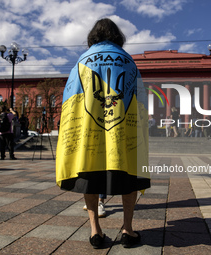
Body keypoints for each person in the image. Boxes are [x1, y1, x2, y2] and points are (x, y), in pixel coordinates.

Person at [56, 18, 150, 249]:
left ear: (93, 36)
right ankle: (128, 230)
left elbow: (71, 100)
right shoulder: (129, 61)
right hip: (123, 133)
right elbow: (140, 100)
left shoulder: (81, 61)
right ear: (118, 36)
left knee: (90, 177)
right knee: (130, 178)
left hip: (89, 133)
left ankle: (95, 231)